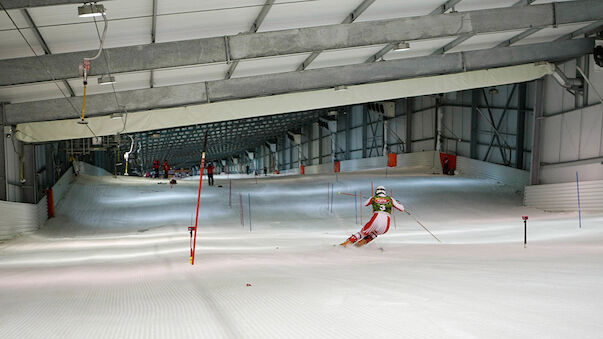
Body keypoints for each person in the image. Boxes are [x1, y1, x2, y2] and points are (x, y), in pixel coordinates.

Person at [340, 185, 404, 247]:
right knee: (374, 234)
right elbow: (402, 209)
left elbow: (365, 204)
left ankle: (346, 243)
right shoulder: (391, 199)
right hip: (386, 224)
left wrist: (372, 200)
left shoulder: (374, 198)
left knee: (362, 233)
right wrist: (398, 203)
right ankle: (360, 244)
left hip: (376, 219)